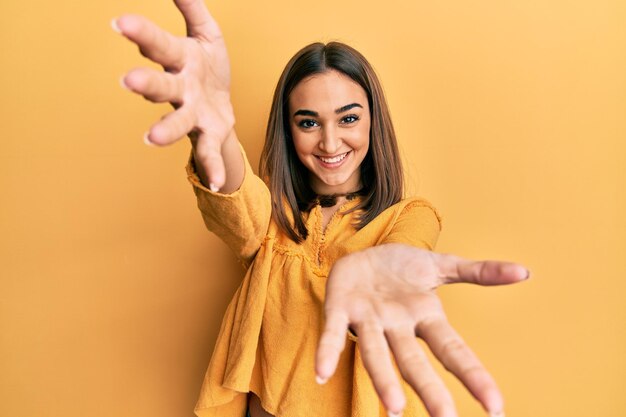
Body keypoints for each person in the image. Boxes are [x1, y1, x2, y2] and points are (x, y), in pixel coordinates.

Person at [113, 1, 529, 416]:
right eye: (309, 122)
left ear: (372, 121)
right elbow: (237, 198)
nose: (330, 144)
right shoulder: (273, 222)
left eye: (348, 119)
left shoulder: (407, 217)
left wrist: (379, 277)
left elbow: (408, 247)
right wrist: (215, 132)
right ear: (288, 130)